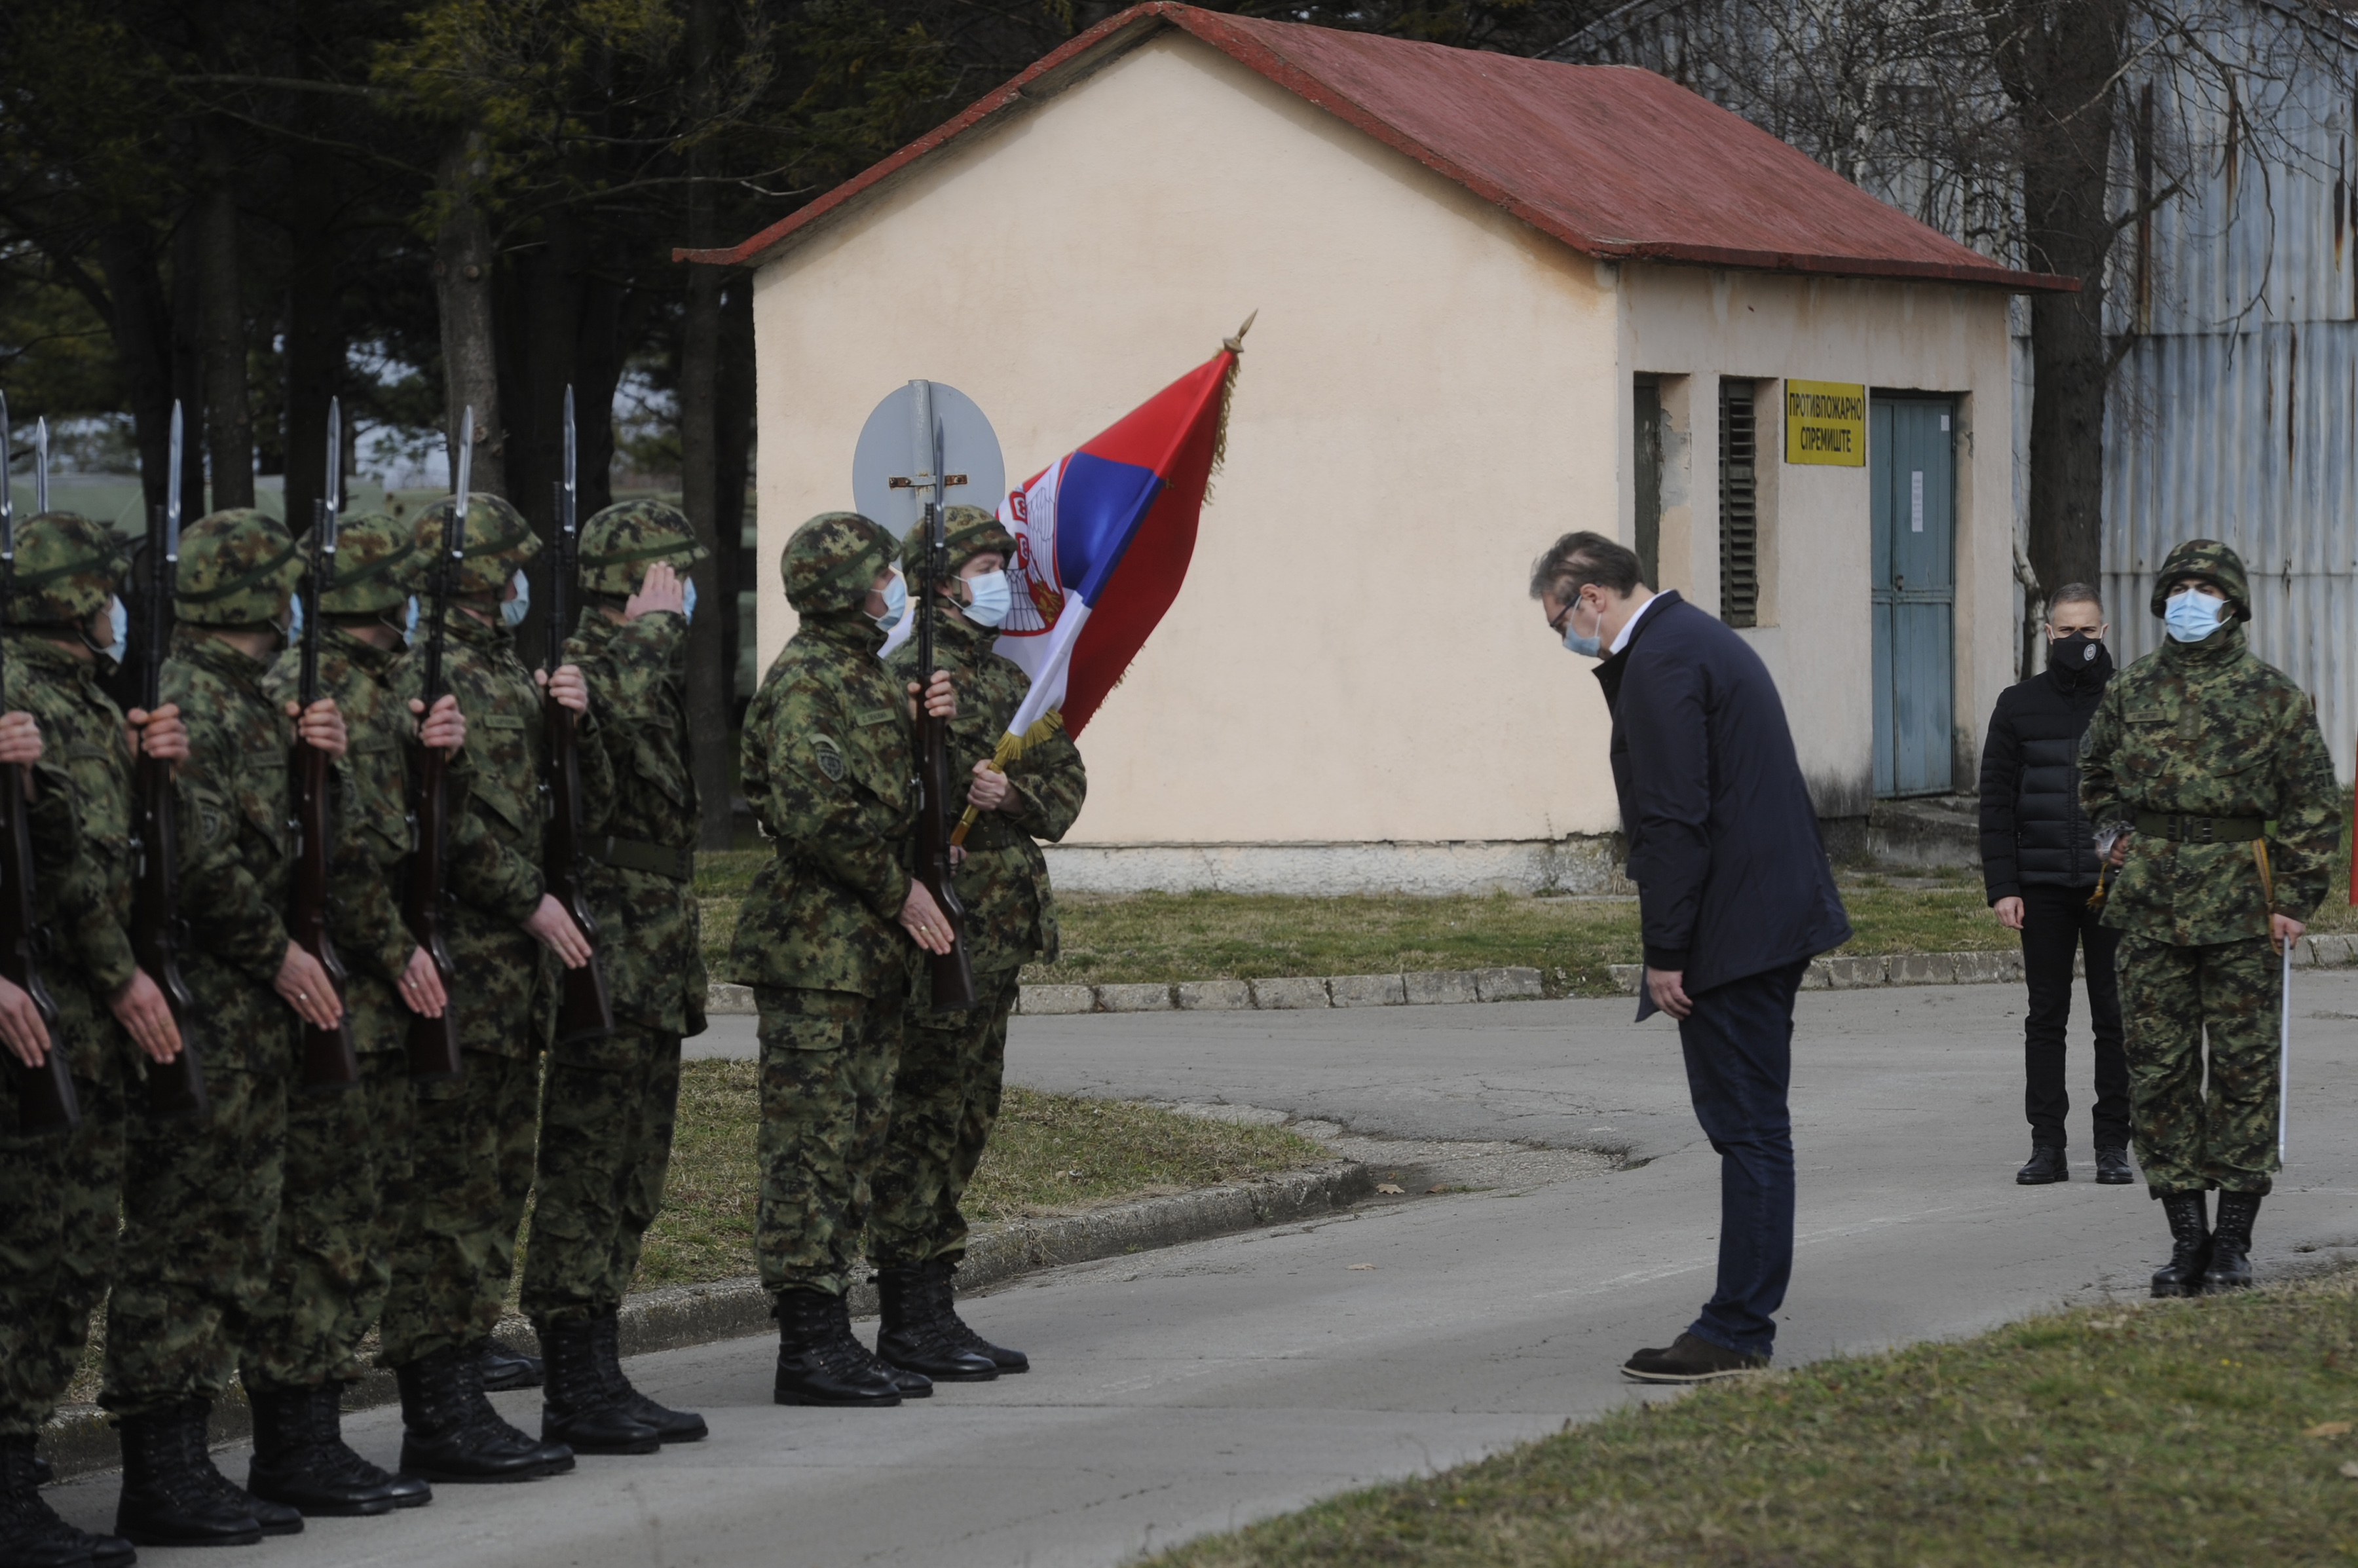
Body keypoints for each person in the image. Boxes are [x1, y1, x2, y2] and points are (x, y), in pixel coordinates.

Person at [1531, 531, 1850, 1383]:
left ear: (1590, 596)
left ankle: (1737, 1327)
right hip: (1764, 917)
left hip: (1735, 933)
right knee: (1755, 1127)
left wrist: (1666, 951)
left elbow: (1673, 819)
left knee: (1747, 1128)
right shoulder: (1695, 639)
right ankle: (1738, 1317)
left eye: (1560, 619)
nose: (1564, 636)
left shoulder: (1665, 662)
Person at [102, 508, 348, 1548]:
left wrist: (320, 762)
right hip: (213, 1006)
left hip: (254, 1019)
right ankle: (161, 1470)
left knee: (239, 1235)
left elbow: (298, 847)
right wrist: (280, 955)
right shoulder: (192, 701)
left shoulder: (255, 700)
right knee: (188, 1243)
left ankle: (197, 1459)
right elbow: (199, 862)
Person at [242, 512, 466, 1518]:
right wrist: (394, 947)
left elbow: (406, 832)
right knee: (323, 1225)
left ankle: (313, 1437)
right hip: (334, 990)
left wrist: (438, 754)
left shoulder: (373, 689)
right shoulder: (317, 690)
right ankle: (297, 1442)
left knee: (351, 1221)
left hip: (364, 994)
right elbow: (349, 850)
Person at [382, 493, 602, 1482]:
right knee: (451, 1199)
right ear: (483, 580)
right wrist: (528, 902)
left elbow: (559, 806)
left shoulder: (507, 678)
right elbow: (446, 827)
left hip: (512, 988)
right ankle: (439, 1409)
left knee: (489, 1193)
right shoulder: (425, 685)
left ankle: (461, 1386)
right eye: (511, 569)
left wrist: (574, 725)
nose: (521, 586)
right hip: (465, 973)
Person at [732, 512, 956, 1409]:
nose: (893, 585)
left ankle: (842, 1332)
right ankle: (811, 1343)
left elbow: (895, 797)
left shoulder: (864, 678)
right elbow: (818, 812)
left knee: (857, 1142)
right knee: (812, 1151)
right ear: (849, 586)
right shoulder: (808, 684)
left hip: (862, 959)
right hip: (817, 953)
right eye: (884, 572)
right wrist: (899, 889)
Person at [0, 509, 186, 1568]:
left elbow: (88, 853)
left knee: (64, 1260)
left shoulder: (78, 699)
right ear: (80, 600)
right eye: (107, 587)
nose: (120, 604)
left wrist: (147, 764)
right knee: (32, 1264)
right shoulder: (19, 692)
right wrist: (117, 978)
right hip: (43, 1012)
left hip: (72, 1019)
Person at [2080, 538, 2338, 1297]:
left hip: (2243, 906)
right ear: (2163, 600)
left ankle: (2232, 1244)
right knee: (2158, 1073)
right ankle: (2185, 1240)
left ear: (2232, 601)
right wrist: (2113, 834)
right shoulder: (2131, 691)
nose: (2192, 598)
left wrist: (2293, 899)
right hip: (2153, 900)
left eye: (2206, 587)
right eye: (2180, 586)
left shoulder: (2274, 697)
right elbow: (2095, 773)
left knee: (2244, 1073)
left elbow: (2314, 806)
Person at [871, 506, 1087, 1381]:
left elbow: (1066, 789)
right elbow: (871, 798)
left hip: (998, 933)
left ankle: (935, 1302)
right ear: (940, 579)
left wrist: (1012, 800)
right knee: (920, 1117)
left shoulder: (1008, 684)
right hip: (934, 928)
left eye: (1002, 560)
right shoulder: (899, 679)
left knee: (966, 1116)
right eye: (984, 563)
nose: (999, 575)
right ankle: (906, 1309)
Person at [518, 500, 711, 1451]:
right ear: (639, 581)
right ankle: (574, 1381)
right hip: (612, 952)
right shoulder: (593, 668)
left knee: (633, 1169)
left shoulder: (635, 664)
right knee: (589, 1170)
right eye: (673, 575)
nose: (685, 594)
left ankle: (600, 1366)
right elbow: (601, 778)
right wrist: (652, 635)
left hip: (653, 954)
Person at [1977, 584, 2131, 1185]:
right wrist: (2002, 886)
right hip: (2039, 886)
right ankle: (2048, 1146)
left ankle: (2113, 1146)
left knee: (2113, 1018)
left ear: (2105, 632)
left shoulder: (2126, 704)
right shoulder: (2017, 705)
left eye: (2087, 633)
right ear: (2047, 634)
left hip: (2110, 886)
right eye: (2066, 632)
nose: (2077, 644)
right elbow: (1995, 803)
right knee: (2046, 1017)